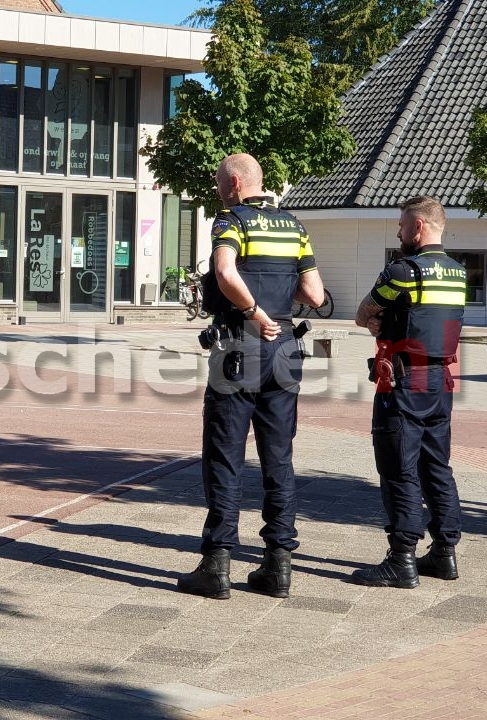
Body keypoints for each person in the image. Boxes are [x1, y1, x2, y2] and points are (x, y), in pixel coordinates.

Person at [176, 153, 323, 600]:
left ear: (236, 183)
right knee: (278, 460)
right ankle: (278, 565)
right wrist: (277, 294)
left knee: (225, 459)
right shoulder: (295, 227)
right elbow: (314, 294)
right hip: (285, 354)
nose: (220, 189)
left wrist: (254, 312)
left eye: (222, 182)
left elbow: (223, 272)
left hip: (239, 351)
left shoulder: (230, 222)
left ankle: (217, 564)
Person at [351, 196, 466, 588]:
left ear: (418, 226)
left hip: (403, 380)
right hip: (440, 381)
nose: (399, 233)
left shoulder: (402, 271)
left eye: (402, 225)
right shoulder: (457, 272)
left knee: (398, 469)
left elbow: (363, 312)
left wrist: (376, 321)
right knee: (437, 467)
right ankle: (445, 552)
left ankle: (401, 558)